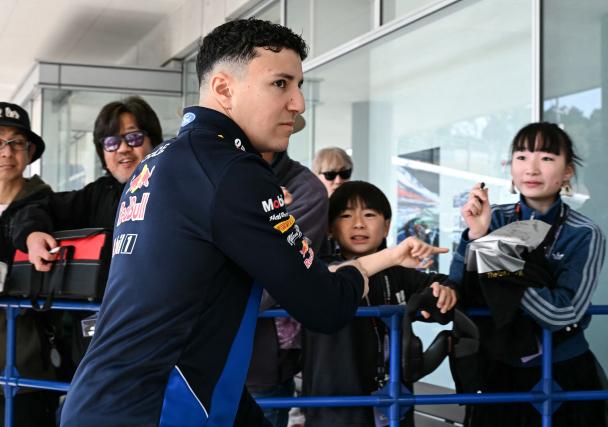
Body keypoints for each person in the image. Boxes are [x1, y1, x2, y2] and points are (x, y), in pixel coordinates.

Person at [59, 19, 447, 427]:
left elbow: (190, 306)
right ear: (225, 89)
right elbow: (324, 304)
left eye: (298, 85)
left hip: (116, 395)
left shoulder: (159, 163)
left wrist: (379, 260)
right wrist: (364, 270)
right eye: (280, 84)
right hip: (155, 407)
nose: (297, 103)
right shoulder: (231, 170)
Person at [449, 122, 607, 426]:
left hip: (561, 370)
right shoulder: (491, 218)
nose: (531, 168)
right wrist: (478, 234)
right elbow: (459, 286)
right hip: (496, 368)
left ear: (567, 172)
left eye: (546, 158)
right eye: (521, 157)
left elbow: (562, 313)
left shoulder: (584, 233)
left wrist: (494, 263)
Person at [12, 96, 163, 366]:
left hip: (158, 337)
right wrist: (32, 235)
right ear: (103, 154)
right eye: (111, 143)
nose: (123, 149)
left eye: (134, 138)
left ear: (153, 141)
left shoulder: (176, 190)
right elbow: (34, 209)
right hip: (98, 340)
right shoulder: (97, 195)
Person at [303, 181, 457, 427]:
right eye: (345, 215)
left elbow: (441, 282)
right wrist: (392, 255)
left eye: (369, 215)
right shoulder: (319, 266)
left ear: (386, 226)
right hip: (335, 408)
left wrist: (446, 289)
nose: (358, 224)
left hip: (394, 405)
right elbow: (328, 279)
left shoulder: (398, 272)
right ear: (330, 228)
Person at [0, 102, 57, 426]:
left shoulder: (51, 206)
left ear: (29, 151)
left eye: (16, 142)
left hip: (29, 379)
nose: (7, 151)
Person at [247, 116, 329, 427]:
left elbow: (274, 276)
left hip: (260, 366)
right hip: (188, 359)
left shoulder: (306, 190)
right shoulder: (209, 174)